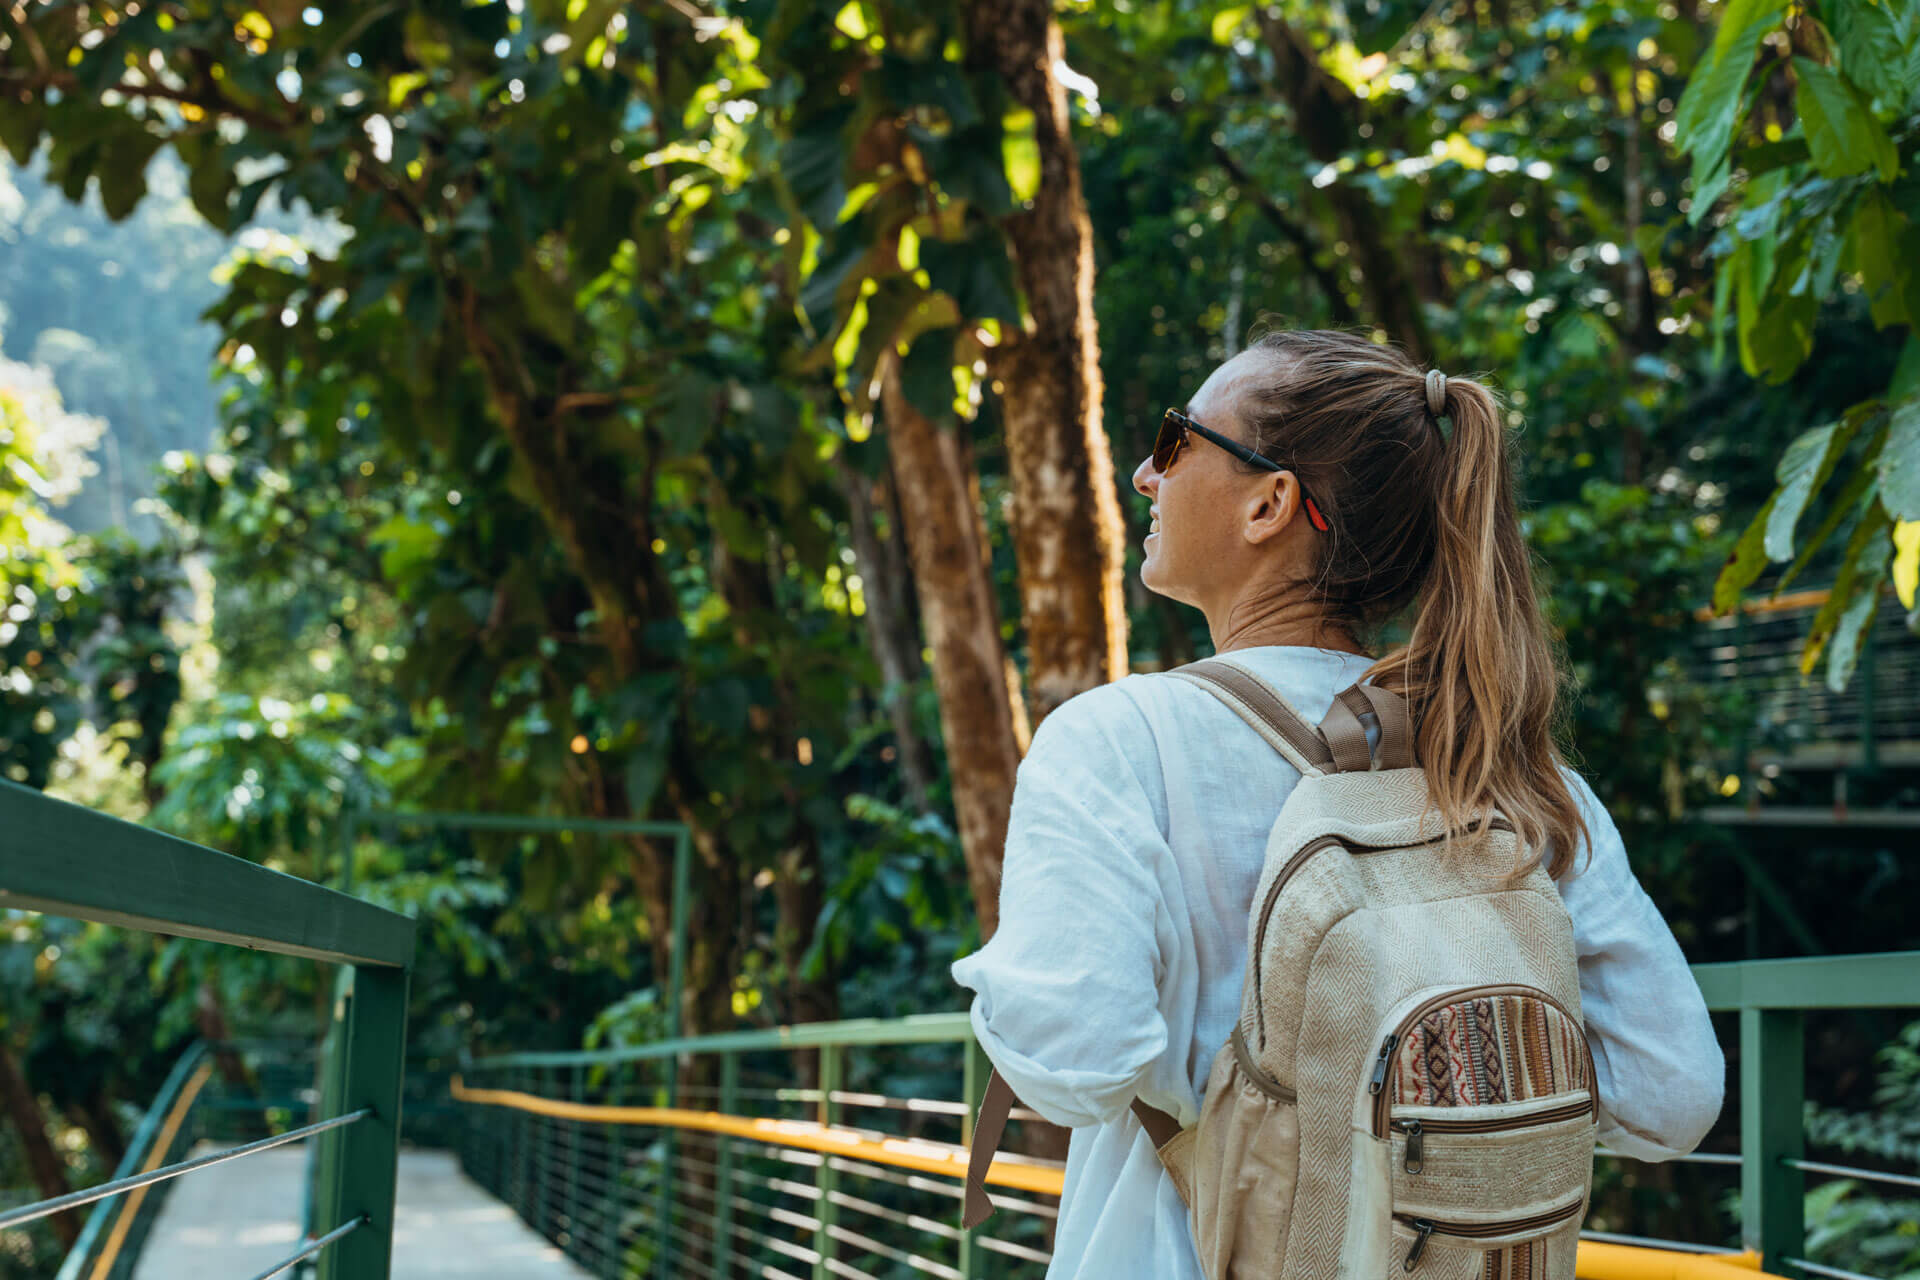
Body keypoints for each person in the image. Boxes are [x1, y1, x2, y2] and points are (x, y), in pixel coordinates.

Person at [949, 328, 1725, 1279]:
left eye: (1176, 440)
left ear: (1269, 503)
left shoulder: (1118, 741)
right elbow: (1672, 1092)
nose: (1147, 476)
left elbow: (1076, 1062)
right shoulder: (1508, 773)